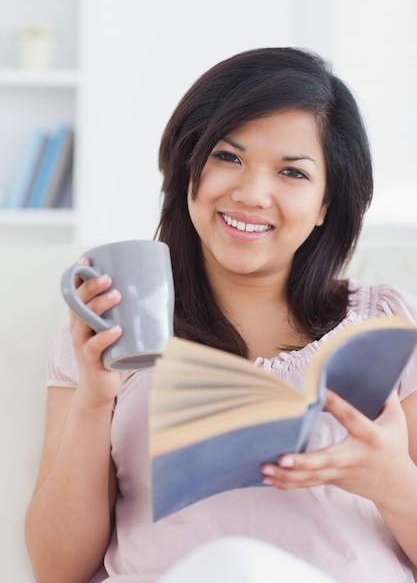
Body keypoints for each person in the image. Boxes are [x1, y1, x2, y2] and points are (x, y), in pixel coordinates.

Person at [25, 47, 417, 583]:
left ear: (327, 202)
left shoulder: (389, 325)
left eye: (292, 173)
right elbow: (56, 570)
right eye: (228, 157)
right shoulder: (102, 333)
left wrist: (393, 479)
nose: (252, 193)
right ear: (190, 166)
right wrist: (95, 399)